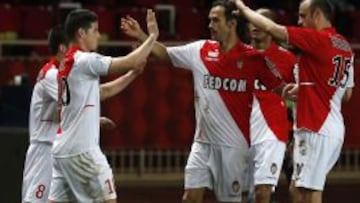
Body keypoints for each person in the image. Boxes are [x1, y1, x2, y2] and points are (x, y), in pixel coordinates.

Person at [121, 1, 286, 202]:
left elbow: (280, 88)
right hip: (202, 144)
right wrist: (142, 36)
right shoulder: (200, 50)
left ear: (232, 24)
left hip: (233, 146)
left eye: (216, 20)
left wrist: (297, 92)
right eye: (209, 20)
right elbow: (165, 54)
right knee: (190, 197)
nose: (210, 25)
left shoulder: (253, 59)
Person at [232, 0, 354, 203]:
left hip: (316, 127)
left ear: (317, 15)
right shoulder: (344, 46)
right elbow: (346, 93)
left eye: (303, 15)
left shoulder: (317, 39)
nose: (299, 21)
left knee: (307, 192)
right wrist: (307, 89)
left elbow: (271, 28)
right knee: (298, 190)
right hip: (331, 127)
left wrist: (244, 10)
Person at [48, 9, 158, 203]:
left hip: (61, 151)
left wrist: (132, 75)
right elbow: (130, 61)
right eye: (95, 30)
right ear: (81, 33)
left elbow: (101, 92)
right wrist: (152, 37)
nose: (98, 35)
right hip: (82, 151)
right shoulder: (85, 60)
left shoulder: (67, 63)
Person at [244, 8, 297, 203]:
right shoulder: (238, 54)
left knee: (262, 192)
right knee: (243, 194)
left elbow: (299, 99)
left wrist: (295, 135)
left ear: (271, 27)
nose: (256, 25)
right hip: (239, 132)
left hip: (273, 133)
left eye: (262, 21)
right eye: (253, 20)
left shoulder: (288, 59)